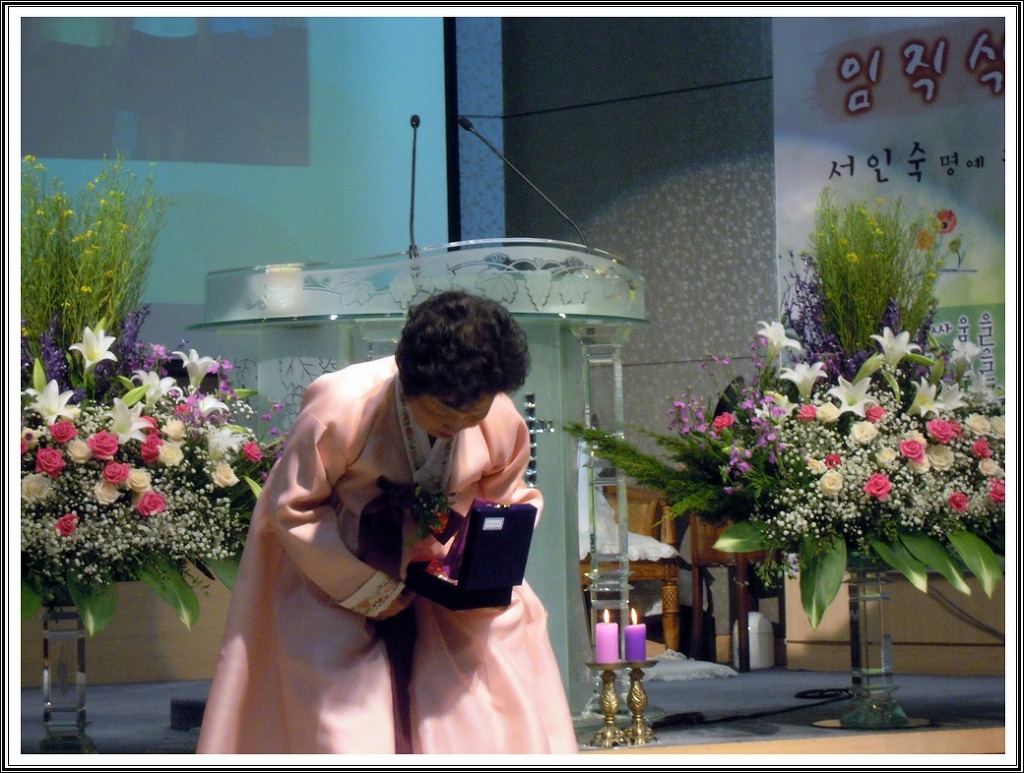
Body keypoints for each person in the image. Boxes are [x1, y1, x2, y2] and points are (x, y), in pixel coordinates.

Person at [197, 290, 579, 754]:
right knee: (340, 709)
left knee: (498, 660)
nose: (459, 423)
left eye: (472, 412)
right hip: (337, 562)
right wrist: (369, 589)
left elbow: (503, 502)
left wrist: (473, 566)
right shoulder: (342, 406)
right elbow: (293, 508)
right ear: (408, 375)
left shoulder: (497, 415)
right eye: (445, 410)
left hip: (441, 574)